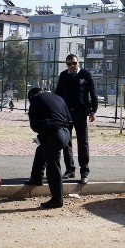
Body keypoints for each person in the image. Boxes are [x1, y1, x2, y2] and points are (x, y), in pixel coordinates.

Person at [25, 87, 73, 209]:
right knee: (41, 150)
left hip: (54, 134)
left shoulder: (35, 99)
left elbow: (34, 124)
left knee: (53, 166)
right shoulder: (58, 98)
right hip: (66, 133)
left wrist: (42, 133)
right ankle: (36, 178)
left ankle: (57, 200)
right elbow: (68, 119)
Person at [55, 54, 98, 184]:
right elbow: (58, 94)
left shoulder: (85, 74)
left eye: (74, 63)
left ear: (78, 62)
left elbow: (93, 92)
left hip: (81, 113)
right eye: (69, 64)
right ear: (66, 65)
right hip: (66, 114)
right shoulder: (63, 75)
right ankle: (70, 169)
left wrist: (93, 111)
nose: (72, 66)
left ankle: (84, 171)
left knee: (83, 142)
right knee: (66, 142)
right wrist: (57, 111)